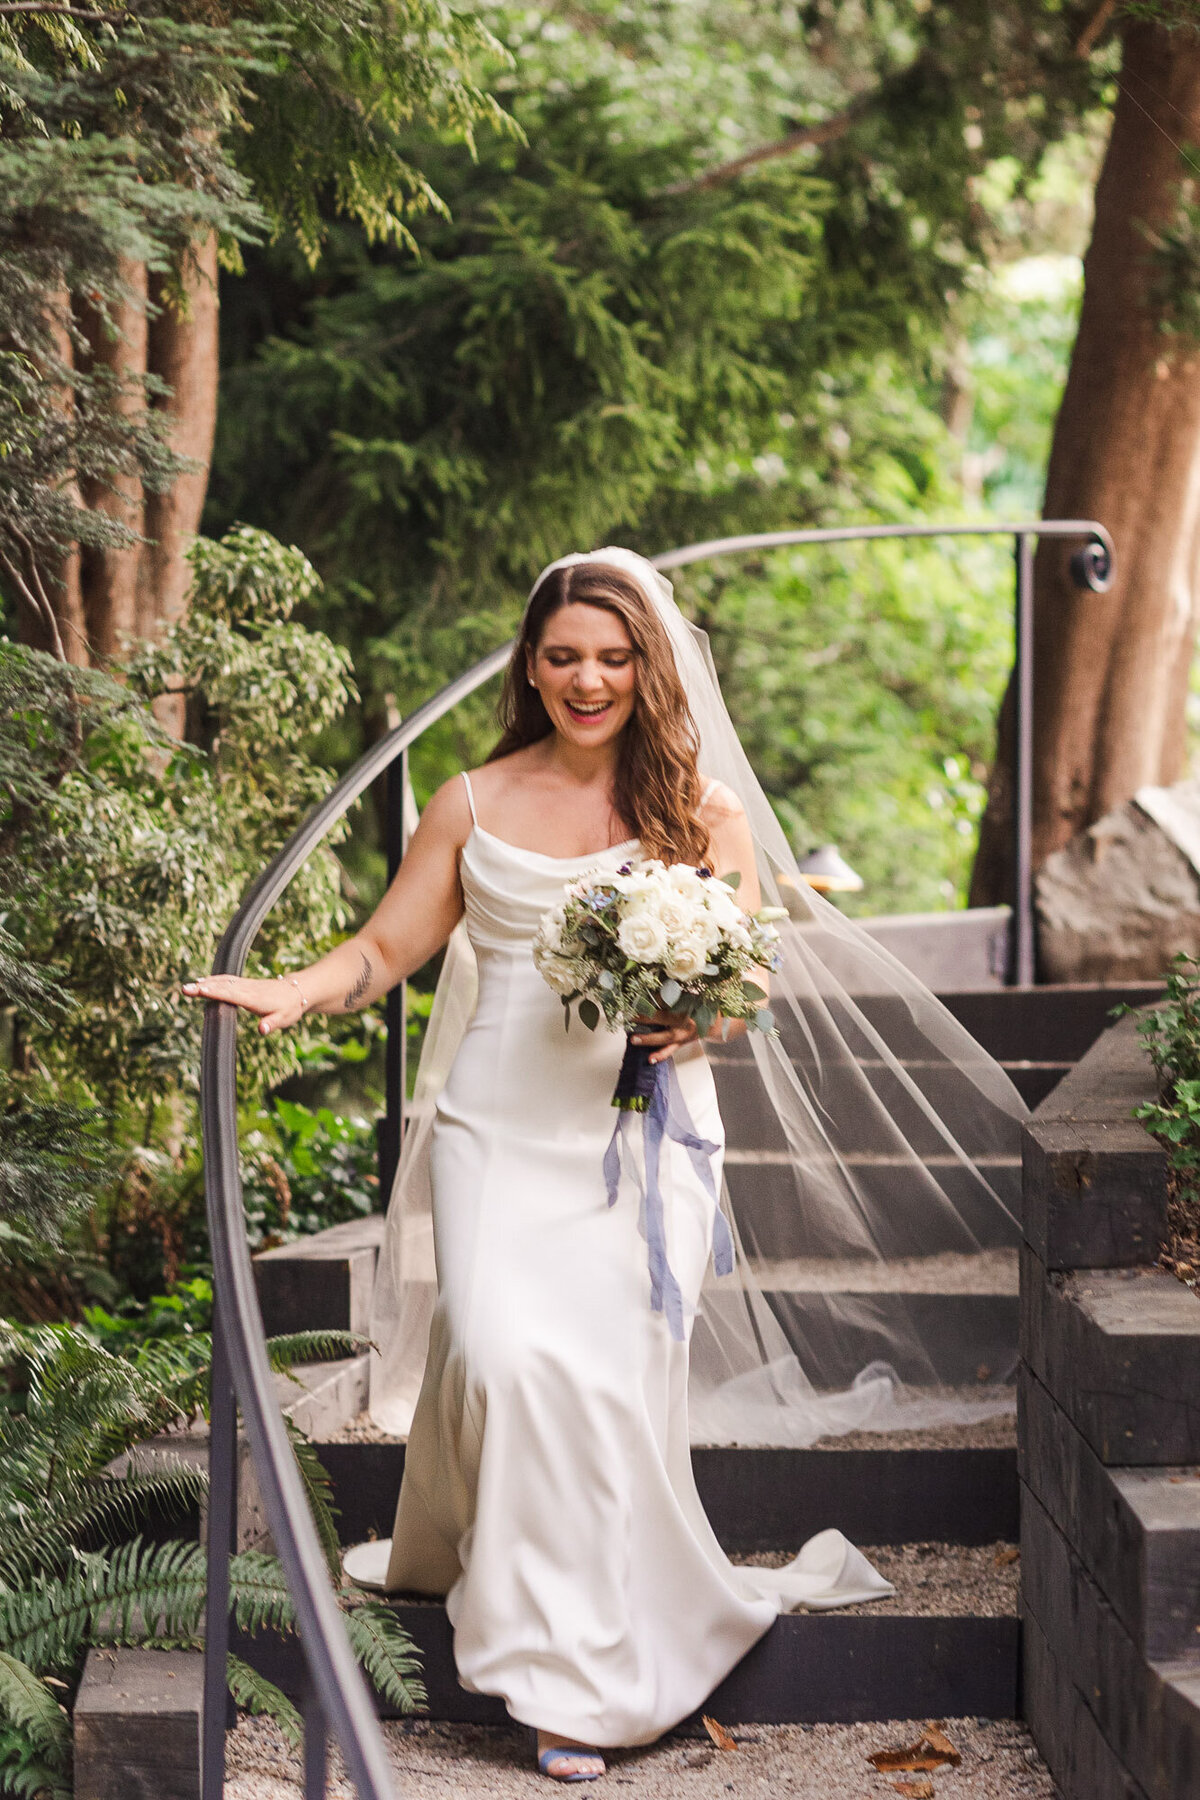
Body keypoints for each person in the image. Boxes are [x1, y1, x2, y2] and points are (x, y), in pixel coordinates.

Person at [185, 547, 1025, 1780]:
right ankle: (536, 1625)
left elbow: (743, 982)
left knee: (597, 1382)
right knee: (512, 1357)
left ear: (650, 665)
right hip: (497, 1130)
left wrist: (704, 1014)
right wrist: (297, 989)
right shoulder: (469, 803)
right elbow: (385, 947)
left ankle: (566, 1678)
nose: (591, 679)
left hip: (643, 1136)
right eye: (566, 655)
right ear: (532, 665)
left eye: (616, 657)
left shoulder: (704, 813)